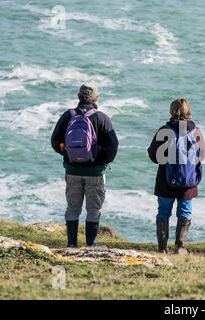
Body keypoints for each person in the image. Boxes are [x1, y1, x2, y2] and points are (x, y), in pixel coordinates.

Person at [51, 83, 119, 248]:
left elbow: (55, 141)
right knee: (93, 209)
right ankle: (91, 244)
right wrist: (101, 161)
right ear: (96, 98)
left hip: (72, 170)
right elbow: (112, 147)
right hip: (95, 172)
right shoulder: (101, 118)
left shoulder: (68, 115)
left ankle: (72, 243)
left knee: (73, 207)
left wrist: (68, 154)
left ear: (78, 97)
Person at [148, 98, 205, 255]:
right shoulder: (196, 131)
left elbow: (154, 156)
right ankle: (180, 247)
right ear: (188, 112)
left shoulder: (164, 130)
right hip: (189, 181)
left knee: (164, 211)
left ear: (172, 111)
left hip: (166, 181)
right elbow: (202, 155)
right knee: (185, 212)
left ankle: (162, 248)